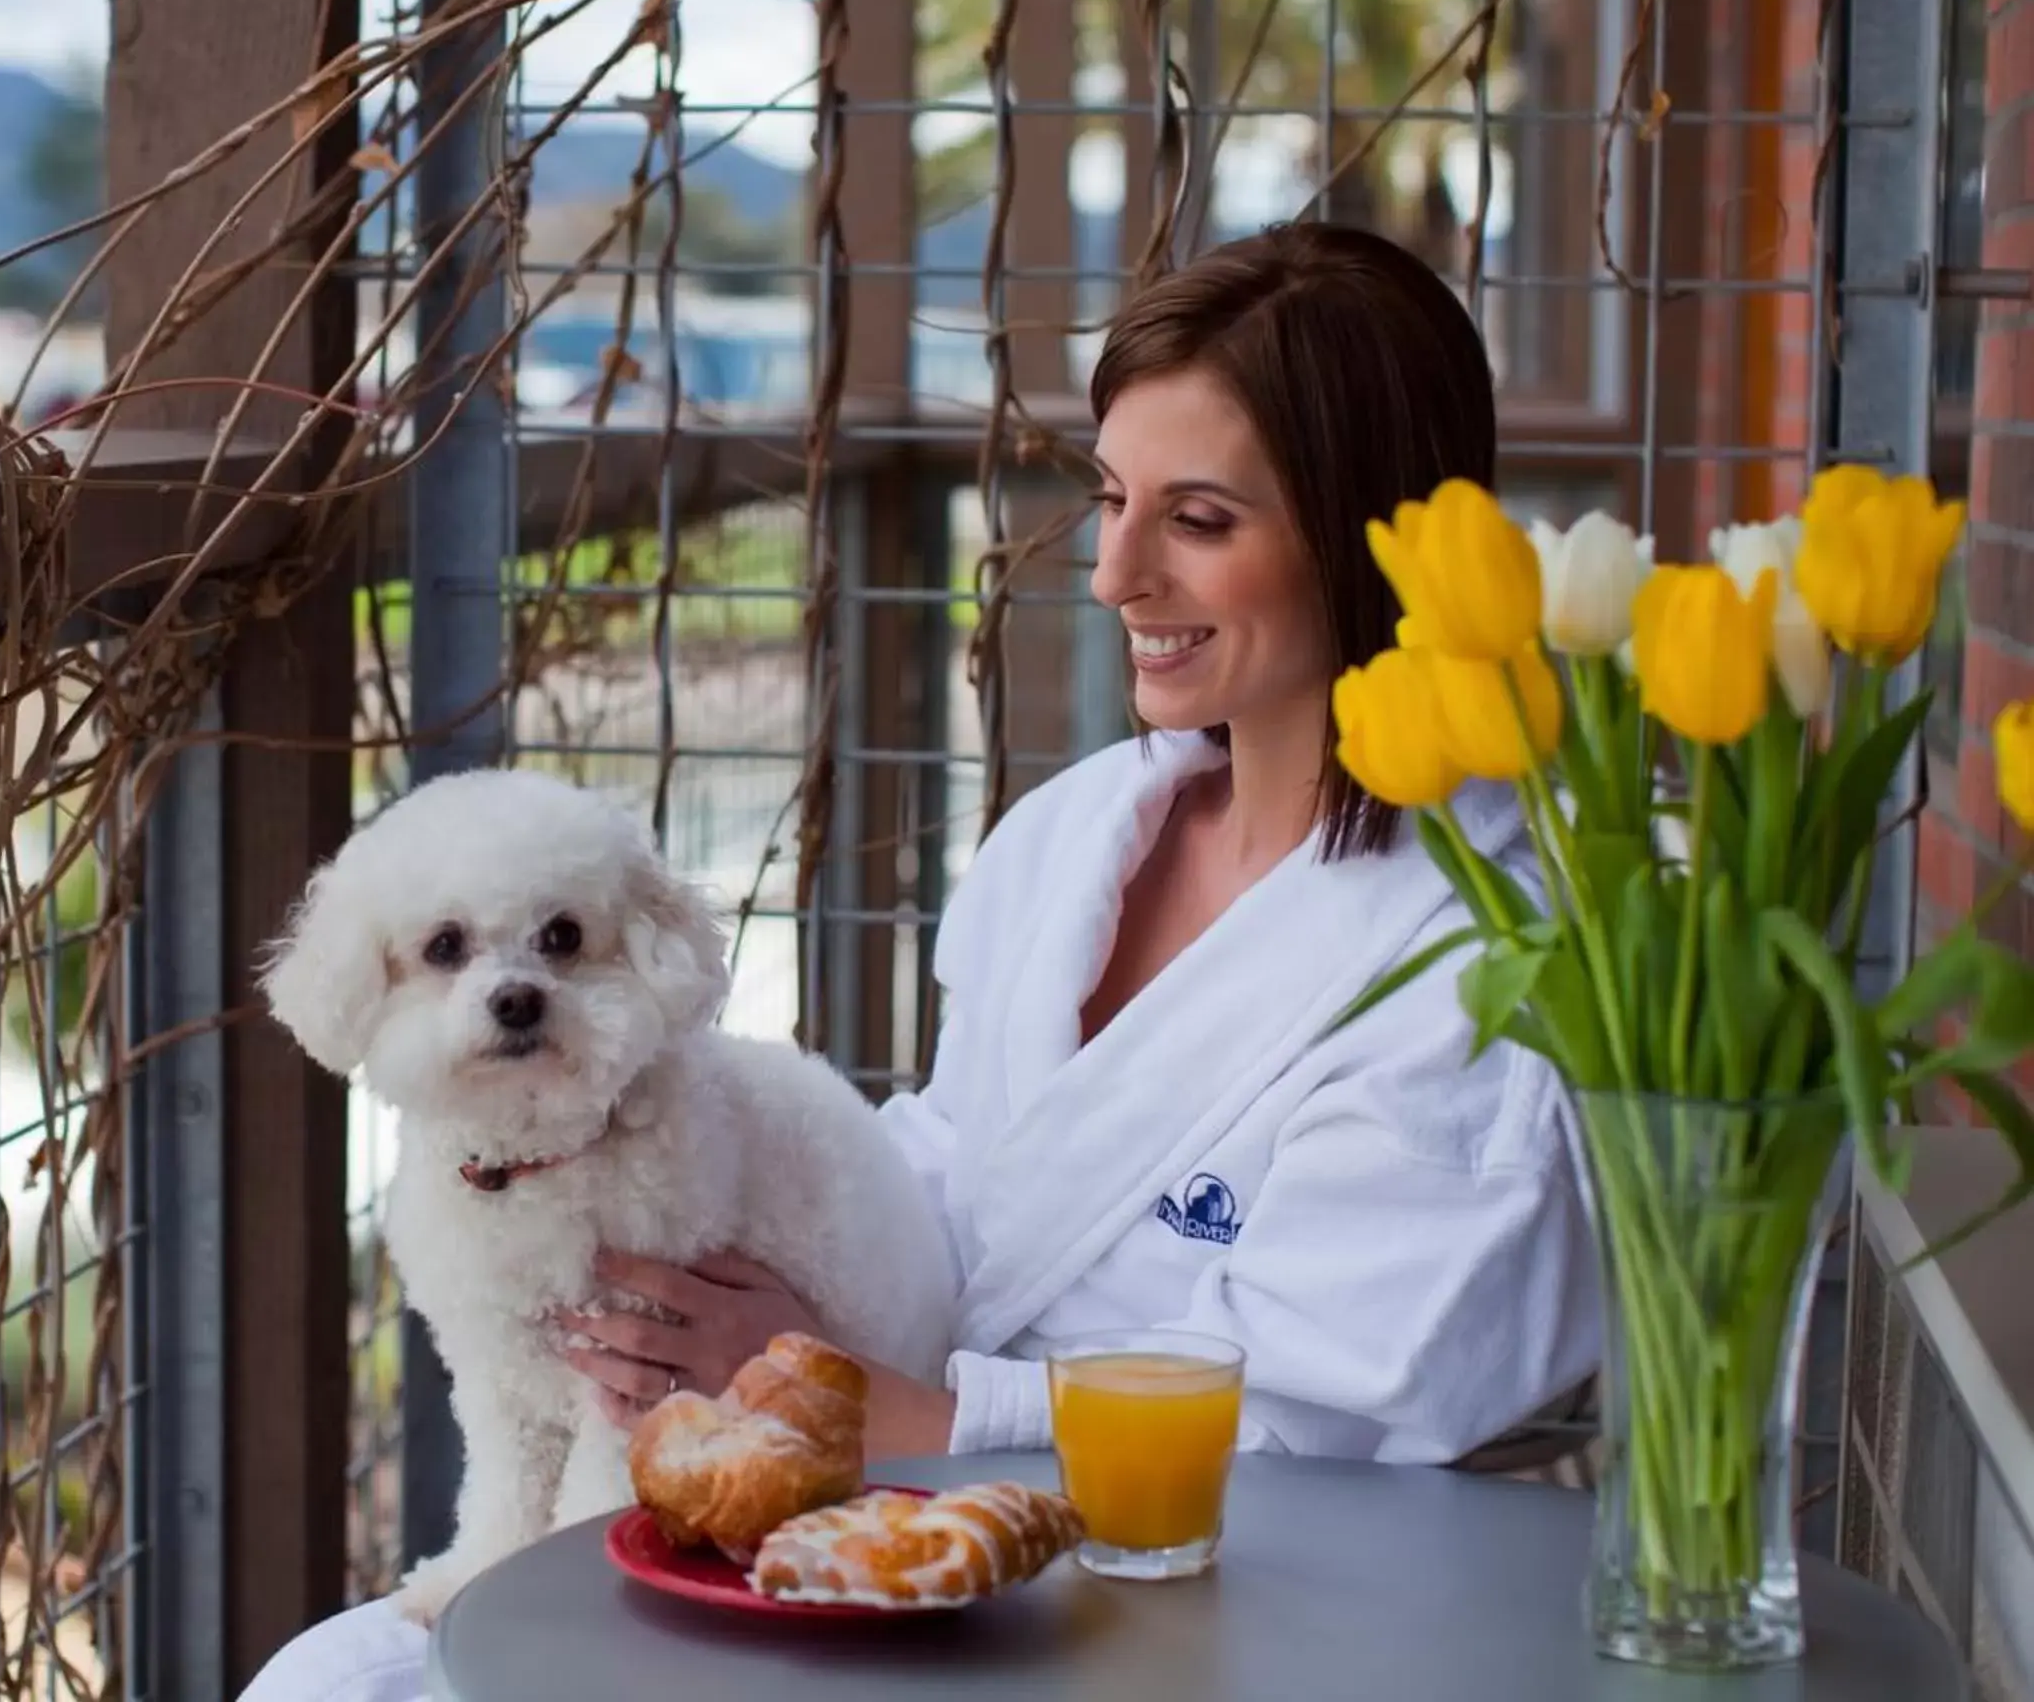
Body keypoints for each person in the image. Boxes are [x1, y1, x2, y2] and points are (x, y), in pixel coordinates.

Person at [241, 222, 1601, 1701]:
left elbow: (1328, 1428)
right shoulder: (1080, 836)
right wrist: (754, 1307)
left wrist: (892, 1407)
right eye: (1112, 499)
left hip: (1192, 1592)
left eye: (1199, 520)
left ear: (1367, 531)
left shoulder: (1476, 955)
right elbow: (950, 1183)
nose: (1116, 576)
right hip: (882, 1479)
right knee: (334, 1672)